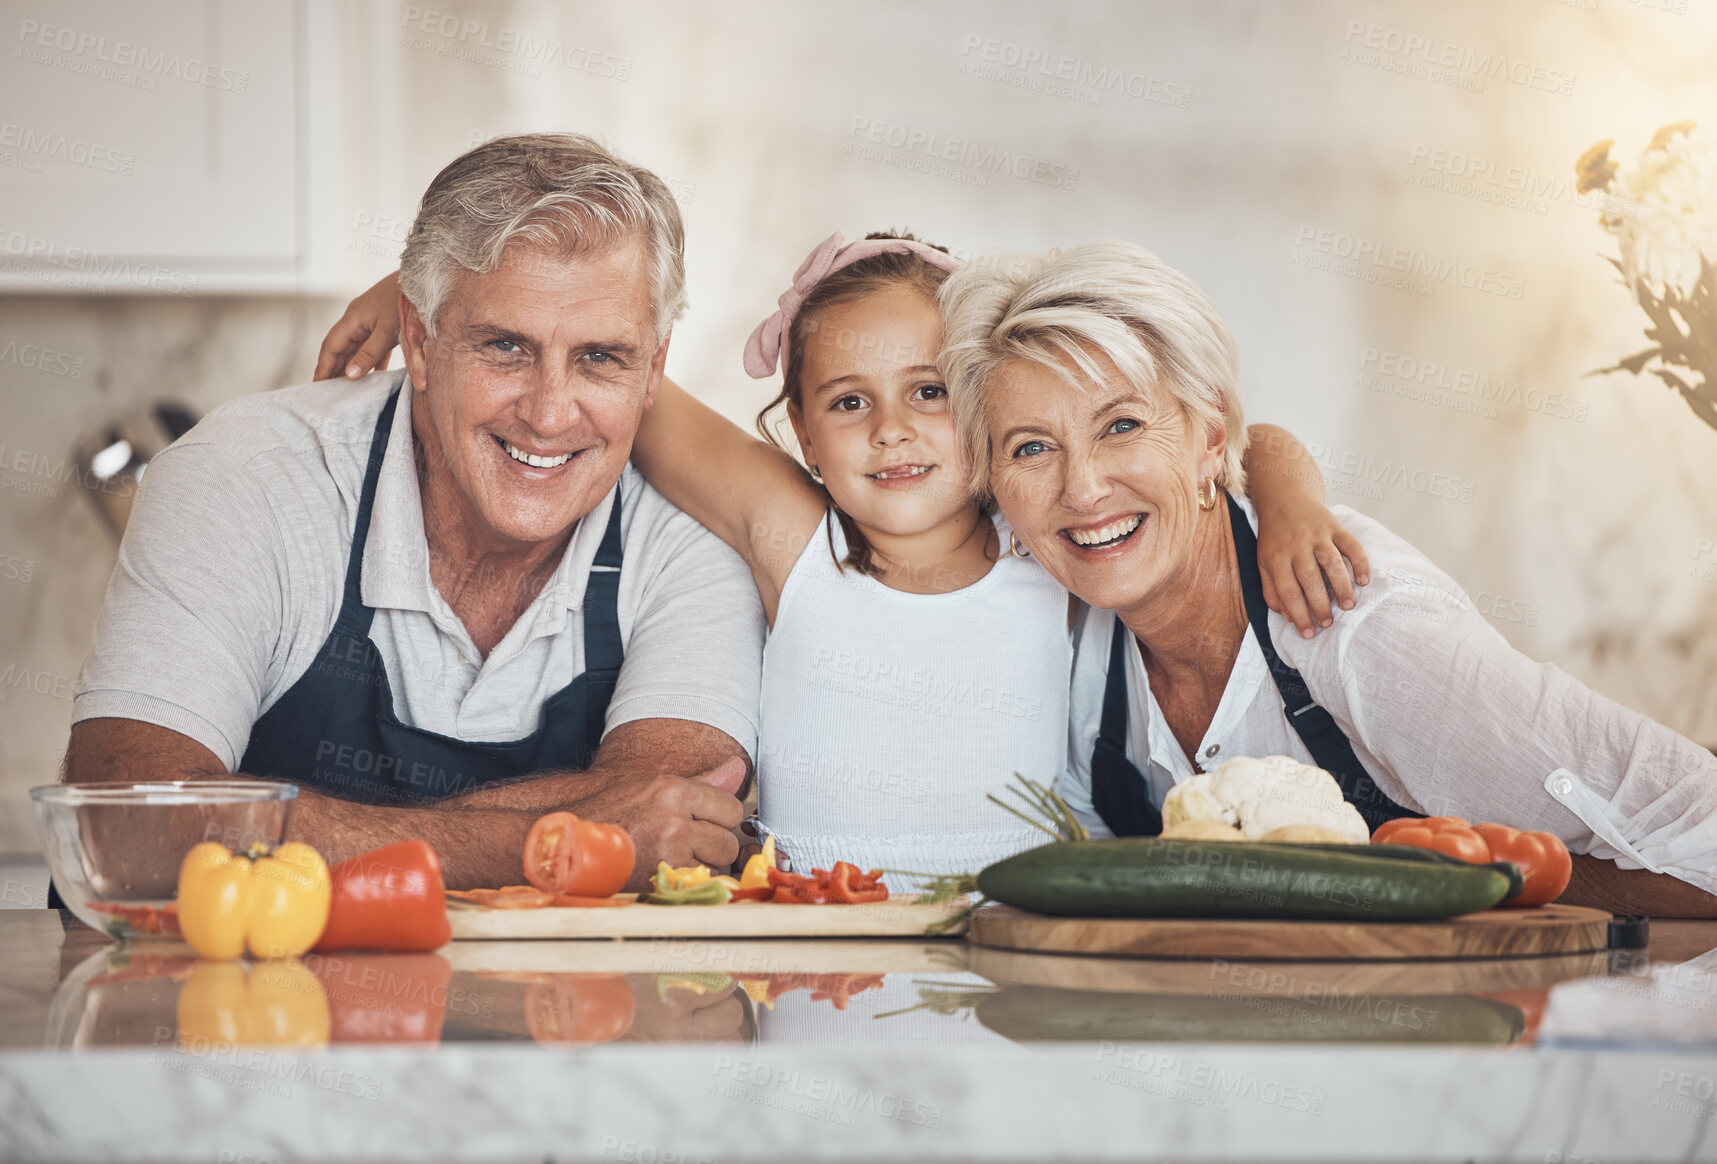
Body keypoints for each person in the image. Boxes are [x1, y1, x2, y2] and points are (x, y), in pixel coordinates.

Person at [313, 232, 1364, 884]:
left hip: (1015, 943)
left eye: (929, 391)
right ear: (804, 439)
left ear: (990, 404)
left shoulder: (1054, 542)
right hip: (807, 941)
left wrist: (1291, 498)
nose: (892, 431)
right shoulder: (794, 540)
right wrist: (429, 293)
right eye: (848, 404)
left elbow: (1239, 435)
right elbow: (625, 379)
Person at [63, 133, 766, 890]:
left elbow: (679, 826)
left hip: (564, 1012)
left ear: (654, 366)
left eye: (600, 357)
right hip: (234, 1008)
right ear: (420, 341)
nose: (550, 413)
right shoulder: (247, 479)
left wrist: (257, 828)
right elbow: (130, 830)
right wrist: (555, 839)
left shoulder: (692, 537)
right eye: (505, 346)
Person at [939, 240, 1717, 916]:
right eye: (1031, 449)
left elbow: (1702, 831)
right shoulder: (1066, 629)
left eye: (1122, 426)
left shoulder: (1364, 631)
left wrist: (1465, 878)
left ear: (1209, 439)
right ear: (995, 484)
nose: (1080, 490)